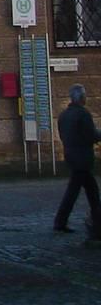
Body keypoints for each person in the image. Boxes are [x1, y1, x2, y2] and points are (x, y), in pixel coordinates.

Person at [54, 84, 101, 236]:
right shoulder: (83, 114)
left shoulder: (64, 115)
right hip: (83, 158)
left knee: (88, 191)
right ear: (81, 98)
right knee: (80, 192)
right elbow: (91, 135)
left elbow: (63, 135)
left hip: (71, 156)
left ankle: (63, 222)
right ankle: (95, 223)